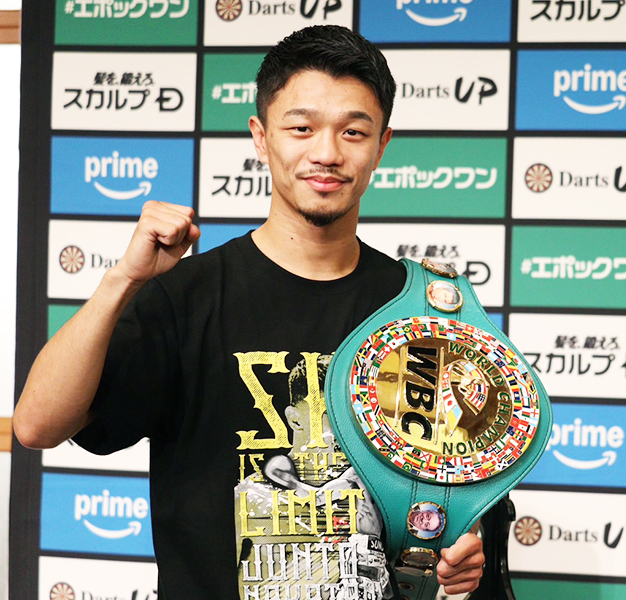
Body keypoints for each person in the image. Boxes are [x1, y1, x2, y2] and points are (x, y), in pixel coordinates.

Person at [14, 25, 484, 600]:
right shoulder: (184, 294)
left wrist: (460, 549)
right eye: (302, 128)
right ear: (261, 138)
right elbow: (38, 427)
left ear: (382, 144)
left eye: (353, 131)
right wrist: (124, 280)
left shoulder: (421, 310)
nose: (327, 153)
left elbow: (460, 491)